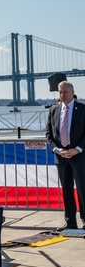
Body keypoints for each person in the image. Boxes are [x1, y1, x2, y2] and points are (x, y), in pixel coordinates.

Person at [46, 81, 85, 231]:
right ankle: (70, 223)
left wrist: (78, 149)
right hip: (61, 157)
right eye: (60, 92)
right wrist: (57, 150)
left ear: (72, 92)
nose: (62, 95)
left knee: (82, 190)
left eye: (65, 92)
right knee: (66, 190)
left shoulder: (82, 109)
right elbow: (49, 135)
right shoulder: (53, 110)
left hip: (79, 157)